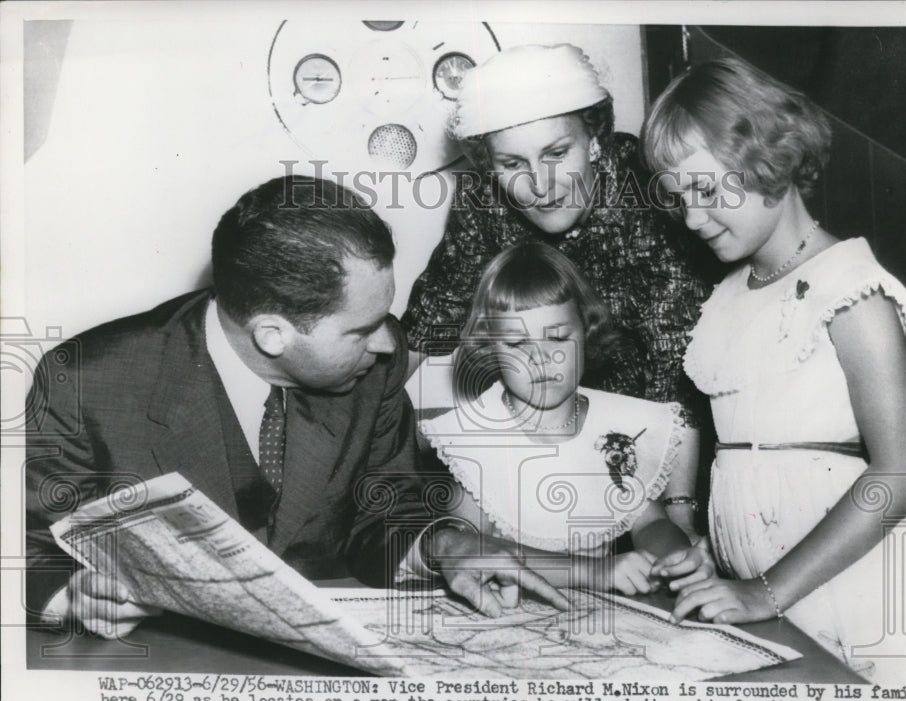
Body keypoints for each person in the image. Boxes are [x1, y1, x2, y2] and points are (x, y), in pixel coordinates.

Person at [24, 175, 567, 638]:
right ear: (272, 335)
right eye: (361, 329)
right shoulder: (85, 381)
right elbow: (24, 547)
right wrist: (71, 596)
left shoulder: (374, 369)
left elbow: (385, 510)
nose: (387, 343)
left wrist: (444, 545)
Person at [642, 57, 906, 677]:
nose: (691, 218)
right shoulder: (729, 294)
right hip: (762, 593)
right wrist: (712, 557)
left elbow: (898, 477)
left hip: (847, 593)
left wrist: (765, 590)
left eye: (706, 191)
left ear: (769, 158)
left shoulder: (850, 290)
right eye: (678, 198)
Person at [402, 42, 714, 537]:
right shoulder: (482, 203)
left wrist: (679, 513)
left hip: (657, 449)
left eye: (556, 153)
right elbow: (426, 327)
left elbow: (677, 374)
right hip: (541, 438)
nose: (540, 184)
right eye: (512, 164)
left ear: (594, 137)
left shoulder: (650, 195)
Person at [418, 242, 715, 595]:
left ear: (586, 331)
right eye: (516, 344)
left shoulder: (615, 428)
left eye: (557, 337)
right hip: (506, 614)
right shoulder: (477, 436)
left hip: (600, 617)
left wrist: (673, 557)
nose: (539, 358)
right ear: (488, 348)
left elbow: (650, 522)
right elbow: (472, 551)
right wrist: (593, 571)